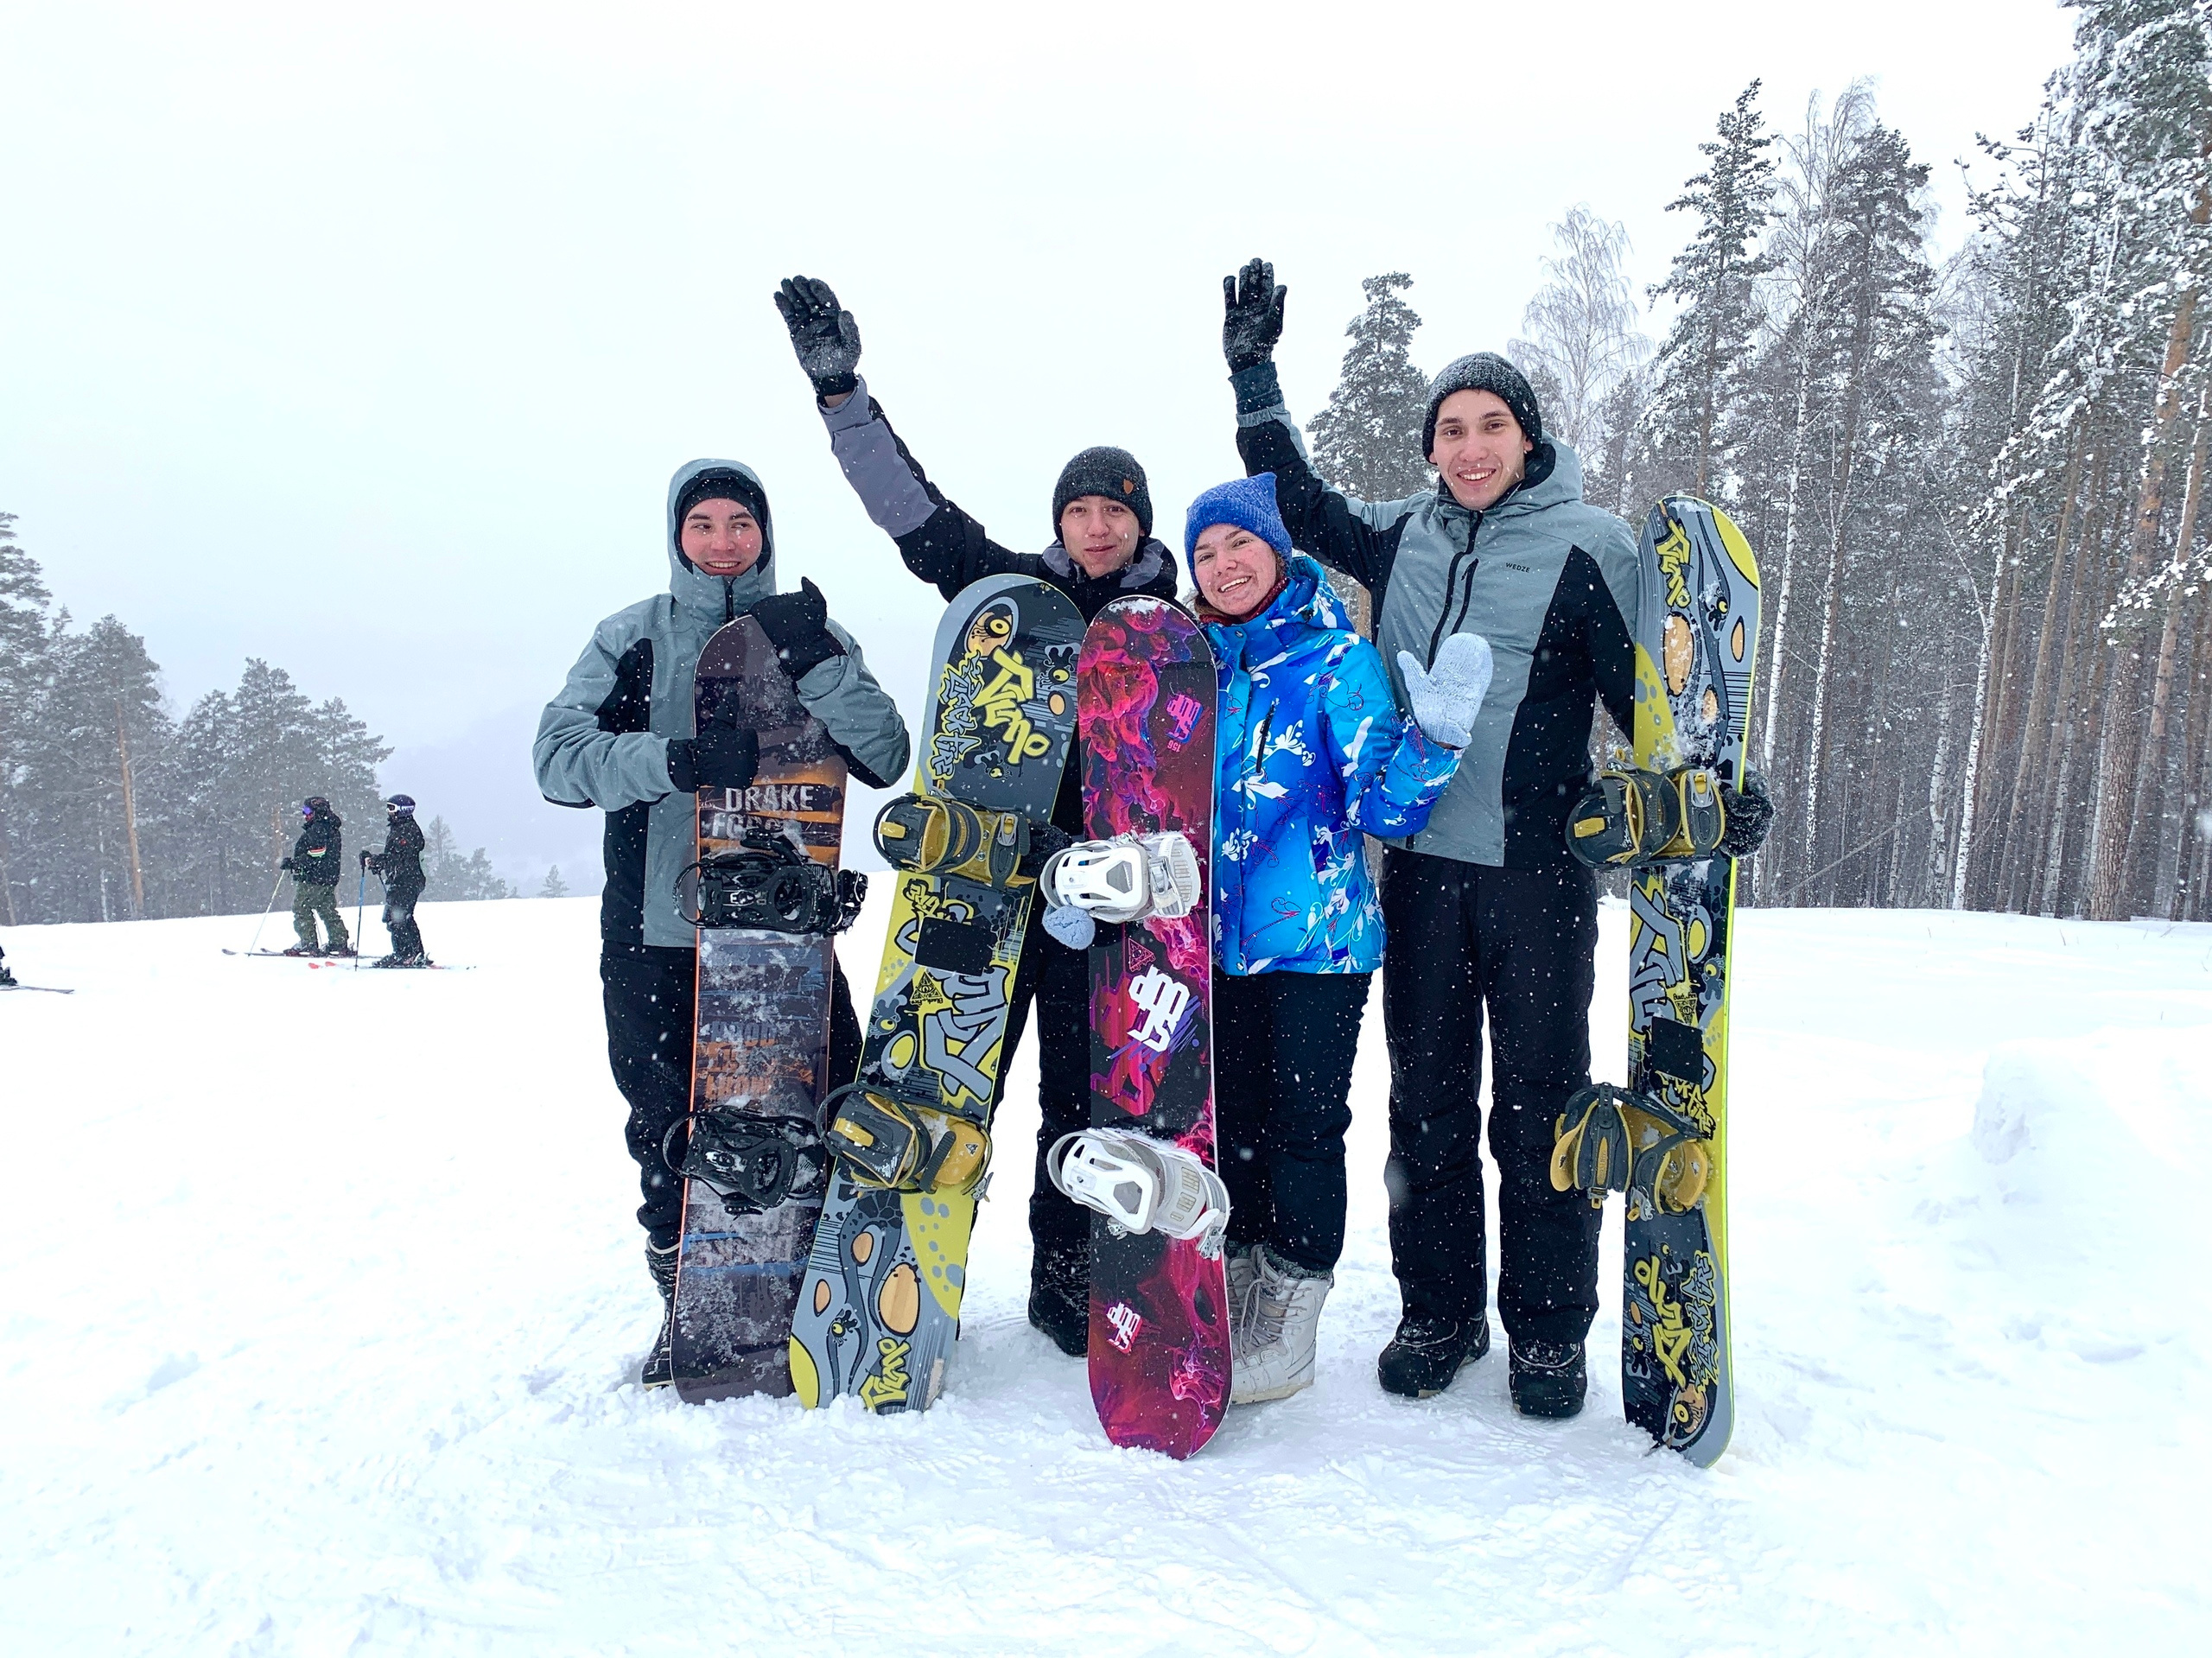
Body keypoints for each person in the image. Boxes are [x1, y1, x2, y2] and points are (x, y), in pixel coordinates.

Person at [1211, 258, 1771, 1418]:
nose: (1469, 446)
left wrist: (1709, 797)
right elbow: (1296, 502)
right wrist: (1254, 374)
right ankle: (1440, 1310)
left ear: (1529, 436)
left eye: (1490, 425)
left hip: (1537, 881)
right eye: (1451, 429)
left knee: (1539, 1107)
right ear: (1431, 448)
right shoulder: (1404, 536)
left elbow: (1652, 706)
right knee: (1425, 1107)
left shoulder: (1592, 545)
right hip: (1417, 875)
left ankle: (1551, 1331)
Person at [774, 274, 1182, 1356]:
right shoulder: (1009, 595)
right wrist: (842, 397)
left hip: (1112, 904)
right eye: (1079, 509)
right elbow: (914, 516)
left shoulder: (1173, 629)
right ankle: (904, 1258)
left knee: (1088, 1100)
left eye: (1114, 509)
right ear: (1059, 520)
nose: (1095, 526)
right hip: (990, 888)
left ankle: (1067, 1271)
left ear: (1140, 520)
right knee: (950, 1080)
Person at [534, 458, 912, 1388]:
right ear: (677, 535)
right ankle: (687, 1312)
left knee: (819, 1108)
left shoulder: (807, 629)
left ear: (764, 531)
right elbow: (556, 760)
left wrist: (814, 661)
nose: (722, 540)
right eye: (702, 523)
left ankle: (825, 1298)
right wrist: (675, 758)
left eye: (739, 522)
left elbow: (885, 750)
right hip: (657, 928)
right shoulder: (632, 637)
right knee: (666, 1124)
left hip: (783, 939)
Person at [1179, 473, 1484, 1404]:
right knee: (1224, 1129)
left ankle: (1292, 1319)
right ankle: (1233, 1284)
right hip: (1207, 943)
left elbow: (1382, 808)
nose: (1223, 565)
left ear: (1277, 549)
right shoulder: (1194, 663)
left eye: (1238, 544)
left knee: (1303, 1129)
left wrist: (1431, 739)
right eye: (1205, 553)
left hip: (1315, 944)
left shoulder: (1336, 659)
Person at [362, 794, 429, 967]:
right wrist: (377, 864)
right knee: (403, 917)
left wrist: (378, 860)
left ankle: (404, 954)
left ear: (403, 810)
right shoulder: (400, 828)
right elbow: (395, 858)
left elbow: (399, 857)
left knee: (396, 917)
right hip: (403, 879)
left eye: (391, 808)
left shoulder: (407, 830)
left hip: (407, 880)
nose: (388, 811)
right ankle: (414, 953)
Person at [282, 797, 352, 956]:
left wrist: (295, 863)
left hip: (314, 878)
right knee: (326, 909)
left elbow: (316, 854)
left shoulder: (318, 829)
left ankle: (308, 942)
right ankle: (338, 941)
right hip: (328, 877)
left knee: (301, 907)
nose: (304, 815)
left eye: (307, 811)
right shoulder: (330, 827)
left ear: (317, 812)